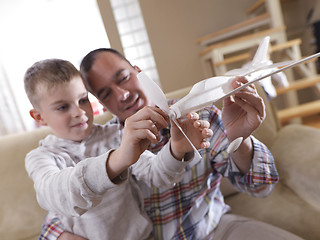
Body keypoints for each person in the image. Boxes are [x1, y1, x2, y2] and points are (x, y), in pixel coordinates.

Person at [42, 49, 303, 240]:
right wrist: (59, 236)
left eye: (122, 78)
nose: (122, 95)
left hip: (213, 229)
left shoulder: (203, 115)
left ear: (137, 71)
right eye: (105, 93)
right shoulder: (101, 145)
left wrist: (240, 138)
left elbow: (261, 188)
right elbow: (62, 203)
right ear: (101, 103)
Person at [24, 59, 213, 240]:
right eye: (63, 107)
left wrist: (177, 149)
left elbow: (157, 174)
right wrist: (117, 160)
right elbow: (56, 195)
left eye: (83, 100)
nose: (79, 112)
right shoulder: (40, 157)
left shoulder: (116, 134)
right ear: (39, 117)